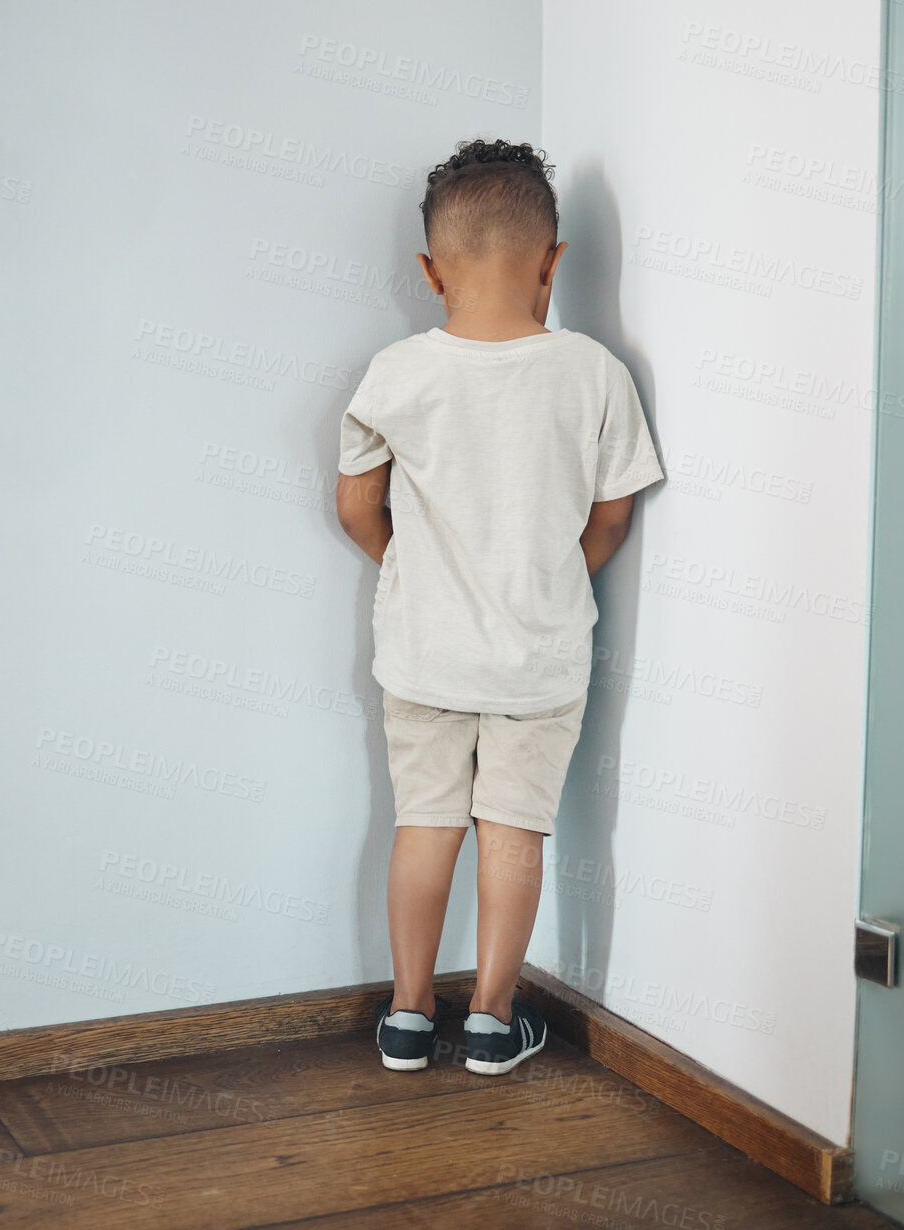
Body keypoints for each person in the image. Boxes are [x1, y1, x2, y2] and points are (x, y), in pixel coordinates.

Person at [335, 138, 664, 1076]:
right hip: (540, 654)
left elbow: (358, 506)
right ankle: (490, 1018)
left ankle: (405, 1017)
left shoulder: (396, 371)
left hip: (423, 650)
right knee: (513, 829)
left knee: (423, 819)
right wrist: (559, 575)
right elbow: (610, 518)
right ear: (553, 263)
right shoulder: (594, 372)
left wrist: (409, 567)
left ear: (429, 271)